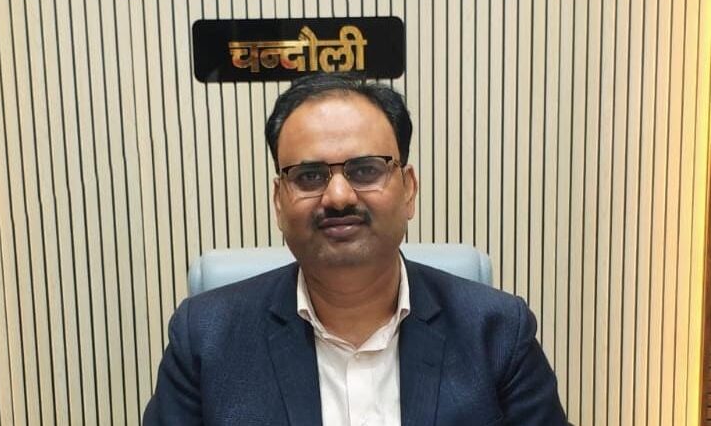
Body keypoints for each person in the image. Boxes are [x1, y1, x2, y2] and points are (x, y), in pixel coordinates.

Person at [144, 73, 568, 425]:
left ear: (408, 190)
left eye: (365, 170)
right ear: (279, 201)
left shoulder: (498, 333)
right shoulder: (205, 339)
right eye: (309, 176)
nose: (339, 196)